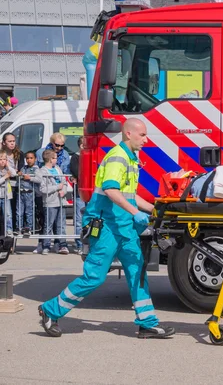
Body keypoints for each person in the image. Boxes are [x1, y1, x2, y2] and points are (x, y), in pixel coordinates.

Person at [38, 118, 175, 339]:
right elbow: (111, 191)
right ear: (129, 134)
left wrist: (153, 209)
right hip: (106, 227)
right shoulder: (117, 158)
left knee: (137, 271)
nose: (146, 140)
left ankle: (147, 323)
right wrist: (135, 213)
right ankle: (50, 310)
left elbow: (129, 195)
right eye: (142, 135)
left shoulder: (131, 158)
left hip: (123, 227)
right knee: (94, 277)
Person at [37, 149, 69, 255]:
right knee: (48, 225)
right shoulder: (42, 171)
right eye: (55, 158)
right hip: (50, 202)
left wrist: (63, 191)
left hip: (61, 200)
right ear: (50, 159)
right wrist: (56, 187)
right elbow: (43, 189)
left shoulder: (58, 169)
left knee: (61, 224)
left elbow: (64, 182)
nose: (57, 160)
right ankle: (46, 245)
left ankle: (62, 245)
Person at [3, 132, 24, 234]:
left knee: (14, 208)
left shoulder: (19, 154)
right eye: (9, 141)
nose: (12, 143)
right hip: (4, 184)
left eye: (13, 141)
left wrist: (16, 172)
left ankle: (14, 228)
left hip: (15, 184)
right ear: (4, 143)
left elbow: (19, 170)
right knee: (6, 210)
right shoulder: (2, 154)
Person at [17, 151, 41, 239]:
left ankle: (28, 227)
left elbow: (39, 179)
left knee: (28, 211)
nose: (29, 160)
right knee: (19, 211)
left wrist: (30, 178)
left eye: (31, 158)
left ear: (35, 159)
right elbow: (20, 175)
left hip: (30, 192)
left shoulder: (36, 168)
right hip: (21, 192)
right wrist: (19, 174)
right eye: (27, 158)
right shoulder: (23, 168)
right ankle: (18, 227)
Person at [69, 137, 84, 254]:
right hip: (80, 191)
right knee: (79, 219)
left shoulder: (93, 155)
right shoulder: (76, 157)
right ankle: (79, 244)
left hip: (92, 192)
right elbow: (76, 171)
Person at [0, 150, 16, 237]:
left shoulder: (7, 169)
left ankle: (9, 230)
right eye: (1, 159)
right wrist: (5, 176)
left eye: (5, 159)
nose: (3, 161)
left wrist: (9, 166)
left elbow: (14, 174)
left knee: (8, 214)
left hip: (6, 196)